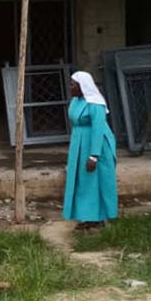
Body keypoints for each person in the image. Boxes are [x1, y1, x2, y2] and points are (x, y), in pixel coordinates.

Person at [63, 71, 118, 231]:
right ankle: (87, 216)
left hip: (96, 144)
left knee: (95, 181)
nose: (70, 87)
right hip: (79, 142)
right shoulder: (76, 101)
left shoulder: (95, 104)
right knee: (82, 181)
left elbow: (98, 129)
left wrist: (94, 155)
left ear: (83, 87)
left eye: (73, 84)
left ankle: (98, 217)